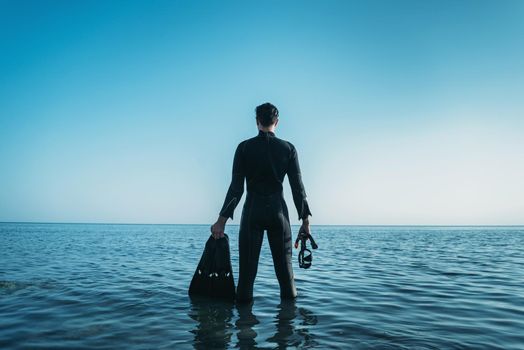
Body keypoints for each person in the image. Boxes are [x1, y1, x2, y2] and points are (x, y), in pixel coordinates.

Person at [210, 102, 312, 302]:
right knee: (286, 278)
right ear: (277, 122)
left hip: (252, 214)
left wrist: (221, 221)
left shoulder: (244, 148)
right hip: (279, 215)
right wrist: (306, 223)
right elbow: (298, 188)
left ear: (257, 122)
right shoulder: (288, 149)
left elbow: (236, 188)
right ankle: (287, 328)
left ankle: (243, 329)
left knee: (246, 279)